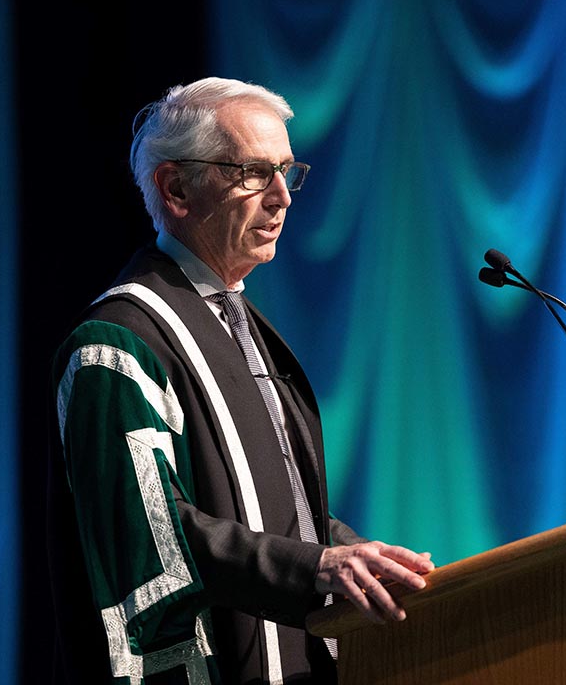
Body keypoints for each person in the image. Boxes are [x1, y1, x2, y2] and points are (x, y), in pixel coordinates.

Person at [47, 77, 434, 685]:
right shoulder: (118, 343)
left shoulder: (239, 326)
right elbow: (154, 539)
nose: (282, 196)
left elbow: (270, 507)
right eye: (253, 173)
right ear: (176, 188)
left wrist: (357, 557)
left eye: (286, 170)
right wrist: (313, 568)